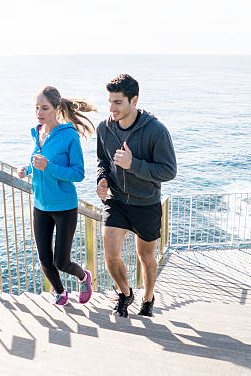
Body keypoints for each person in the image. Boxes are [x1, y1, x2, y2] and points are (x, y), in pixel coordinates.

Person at [96, 74, 176, 317]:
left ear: (134, 100)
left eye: (118, 102)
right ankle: (125, 293)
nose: (112, 108)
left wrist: (134, 164)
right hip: (117, 200)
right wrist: (102, 178)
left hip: (146, 203)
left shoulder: (156, 131)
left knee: (145, 256)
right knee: (110, 255)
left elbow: (168, 171)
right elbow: (103, 160)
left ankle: (148, 299)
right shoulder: (104, 128)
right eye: (110, 101)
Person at [18, 86, 96, 305]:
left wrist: (48, 167)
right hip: (41, 205)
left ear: (56, 108)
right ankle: (61, 292)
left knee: (61, 261)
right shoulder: (38, 133)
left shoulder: (69, 136)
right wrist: (27, 169)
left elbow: (78, 173)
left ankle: (83, 277)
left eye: (44, 108)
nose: (39, 113)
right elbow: (38, 162)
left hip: (64, 206)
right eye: (36, 108)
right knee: (44, 259)